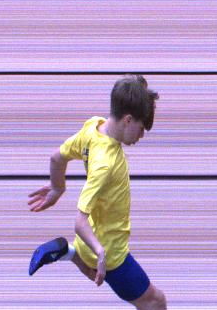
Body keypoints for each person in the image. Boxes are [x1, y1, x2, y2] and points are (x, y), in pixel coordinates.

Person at [28, 75, 168, 309]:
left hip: (90, 241)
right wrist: (102, 253)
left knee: (95, 272)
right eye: (141, 128)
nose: (141, 136)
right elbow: (79, 222)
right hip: (111, 253)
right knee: (155, 302)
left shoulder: (94, 127)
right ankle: (78, 254)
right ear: (128, 120)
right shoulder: (106, 163)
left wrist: (57, 188)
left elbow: (56, 157)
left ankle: (68, 252)